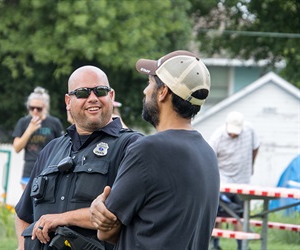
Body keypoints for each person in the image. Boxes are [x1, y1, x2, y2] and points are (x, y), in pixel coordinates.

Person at [90, 50, 220, 249]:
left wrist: (97, 206)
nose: (145, 91)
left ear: (163, 92)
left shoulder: (148, 150)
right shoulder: (207, 153)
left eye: (149, 83)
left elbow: (106, 230)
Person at [14, 66, 143, 250]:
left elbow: (116, 214)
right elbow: (23, 214)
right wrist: (22, 246)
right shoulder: (52, 149)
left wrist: (61, 219)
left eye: (100, 91)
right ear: (68, 101)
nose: (93, 98)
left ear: (111, 96)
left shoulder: (131, 146)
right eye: (82, 93)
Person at [208, 111, 260, 250]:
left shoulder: (249, 130)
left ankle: (241, 246)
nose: (233, 134)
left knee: (240, 216)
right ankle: (214, 244)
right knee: (217, 213)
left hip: (243, 181)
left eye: (236, 132)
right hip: (223, 181)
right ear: (226, 125)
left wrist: (252, 164)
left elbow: (256, 147)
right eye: (231, 131)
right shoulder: (217, 137)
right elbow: (209, 160)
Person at [12, 87, 64, 190]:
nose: (35, 111)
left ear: (45, 107)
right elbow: (17, 148)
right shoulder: (23, 122)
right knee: (29, 203)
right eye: (32, 108)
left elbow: (62, 147)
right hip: (30, 168)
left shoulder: (54, 123)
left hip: (49, 167)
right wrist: (29, 130)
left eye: (38, 108)